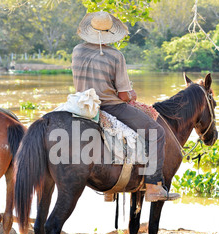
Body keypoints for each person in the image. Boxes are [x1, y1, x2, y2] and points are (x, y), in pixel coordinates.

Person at [72, 11, 180, 202]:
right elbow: (123, 95)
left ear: (89, 30)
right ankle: (154, 186)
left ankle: (109, 189)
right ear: (110, 33)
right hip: (110, 107)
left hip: (82, 104)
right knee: (156, 132)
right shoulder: (115, 56)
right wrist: (131, 94)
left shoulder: (77, 51)